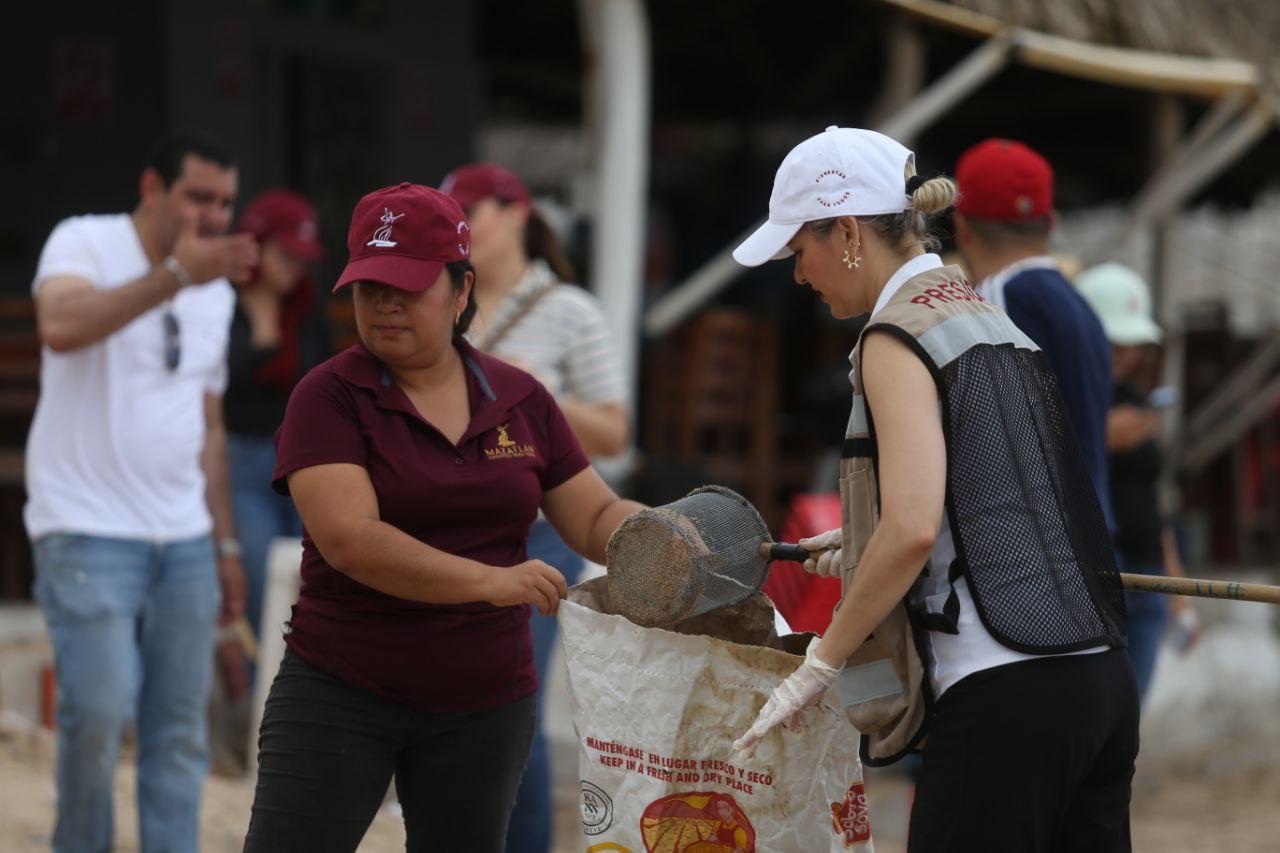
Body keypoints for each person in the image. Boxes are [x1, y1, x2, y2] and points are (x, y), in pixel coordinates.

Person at [730, 126, 1136, 851]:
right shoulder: (990, 315)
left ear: (848, 231)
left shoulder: (894, 335)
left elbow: (914, 526)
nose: (797, 275)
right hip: (1098, 679)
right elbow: (988, 498)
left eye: (798, 251)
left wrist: (820, 663)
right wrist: (861, 537)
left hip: (1004, 689)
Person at [243, 182, 644, 852]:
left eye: (408, 286)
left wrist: (665, 540)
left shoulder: (521, 397)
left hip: (483, 702)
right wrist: (492, 581)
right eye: (371, 287)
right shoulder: (328, 396)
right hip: (342, 687)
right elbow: (352, 540)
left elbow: (593, 510)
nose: (386, 304)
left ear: (461, 292)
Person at [26, 133, 256, 852]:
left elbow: (210, 426)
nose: (215, 215)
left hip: (184, 535)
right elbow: (60, 325)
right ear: (152, 187)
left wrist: (224, 545)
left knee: (179, 731)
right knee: (95, 714)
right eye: (199, 196)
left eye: (225, 200)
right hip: (84, 524)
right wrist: (173, 277)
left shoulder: (216, 287)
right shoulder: (84, 241)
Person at [441, 161, 629, 853]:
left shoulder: (569, 310)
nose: (461, 229)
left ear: (517, 212)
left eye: (473, 213)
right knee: (446, 707)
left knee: (510, 706)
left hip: (538, 533)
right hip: (444, 531)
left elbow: (615, 430)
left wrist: (539, 395)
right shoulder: (440, 301)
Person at [952, 138, 1115, 527]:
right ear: (1051, 222)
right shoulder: (1079, 303)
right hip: (1087, 537)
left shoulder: (995, 299)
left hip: (1033, 547)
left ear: (962, 228)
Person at [1077, 262, 1202, 702]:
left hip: (1148, 576)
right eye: (1113, 343)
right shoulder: (1060, 395)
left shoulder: (1133, 398)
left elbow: (1153, 507)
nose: (1123, 355)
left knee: (1128, 718)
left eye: (1129, 345)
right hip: (1096, 577)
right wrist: (1102, 434)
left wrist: (1180, 595)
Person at [226, 188, 329, 647]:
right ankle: (256, 699)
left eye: (302, 257)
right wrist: (264, 325)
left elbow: (323, 380)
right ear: (256, 245)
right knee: (257, 581)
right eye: (285, 254)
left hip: (304, 462)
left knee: (310, 582)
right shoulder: (220, 304)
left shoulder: (306, 309)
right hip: (243, 459)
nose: (295, 267)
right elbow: (221, 388)